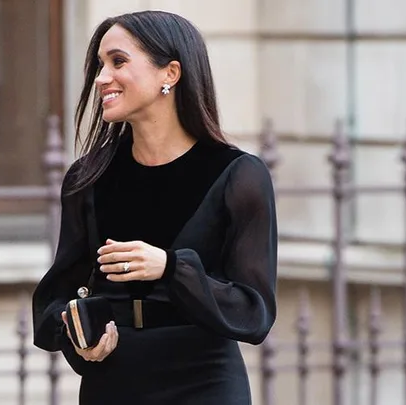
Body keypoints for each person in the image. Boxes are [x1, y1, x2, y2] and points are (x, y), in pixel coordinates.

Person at [32, 10, 277, 405]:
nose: (101, 78)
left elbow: (254, 311)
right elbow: (55, 298)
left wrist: (169, 267)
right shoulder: (90, 177)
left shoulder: (237, 175)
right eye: (100, 65)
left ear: (171, 74)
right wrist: (79, 336)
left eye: (118, 61)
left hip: (205, 383)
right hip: (113, 382)